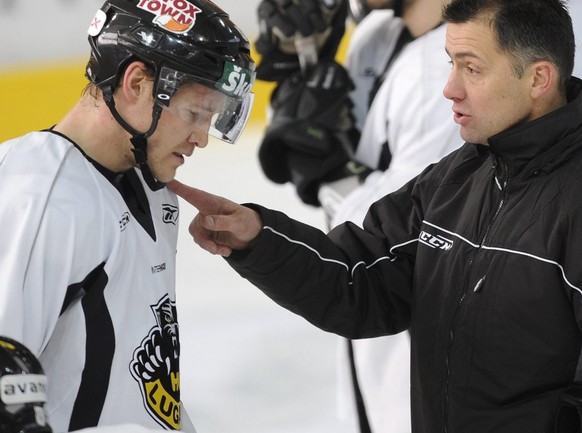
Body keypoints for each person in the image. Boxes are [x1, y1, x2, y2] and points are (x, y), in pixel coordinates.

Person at [170, 0, 582, 431]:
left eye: (472, 69)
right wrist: (259, 238)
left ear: (538, 79)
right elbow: (360, 280)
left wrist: (333, 175)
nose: (450, 89)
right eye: (451, 64)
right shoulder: (460, 175)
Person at [0, 0, 255, 431]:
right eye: (195, 113)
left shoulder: (155, 192)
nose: (201, 138)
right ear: (136, 83)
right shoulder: (37, 194)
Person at [253, 0, 462, 431]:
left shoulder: (453, 70)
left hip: (425, 344)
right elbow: (319, 131)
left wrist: (328, 172)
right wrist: (302, 67)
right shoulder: (374, 37)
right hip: (369, 325)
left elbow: (401, 234)